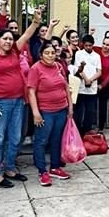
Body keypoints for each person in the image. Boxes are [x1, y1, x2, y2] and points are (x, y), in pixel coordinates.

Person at [0, 8, 44, 188]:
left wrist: (35, 22)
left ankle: (10, 168)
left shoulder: (15, 52)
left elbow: (26, 35)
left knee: (16, 136)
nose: (8, 41)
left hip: (18, 100)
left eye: (11, 39)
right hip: (1, 102)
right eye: (5, 38)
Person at [27, 41, 74, 185]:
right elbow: (31, 91)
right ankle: (42, 171)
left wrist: (70, 106)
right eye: (47, 53)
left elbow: (66, 86)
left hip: (61, 109)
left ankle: (55, 167)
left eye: (53, 53)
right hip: (45, 111)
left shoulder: (59, 66)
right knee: (41, 141)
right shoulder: (35, 69)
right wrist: (36, 113)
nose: (50, 55)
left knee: (56, 139)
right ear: (41, 55)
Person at [73, 34, 102, 135]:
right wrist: (86, 79)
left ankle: (87, 132)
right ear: (83, 45)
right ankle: (78, 132)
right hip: (81, 87)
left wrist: (90, 80)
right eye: (86, 45)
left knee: (90, 112)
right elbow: (78, 69)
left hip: (92, 88)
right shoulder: (78, 54)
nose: (88, 47)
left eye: (90, 45)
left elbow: (99, 71)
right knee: (79, 112)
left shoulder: (97, 56)